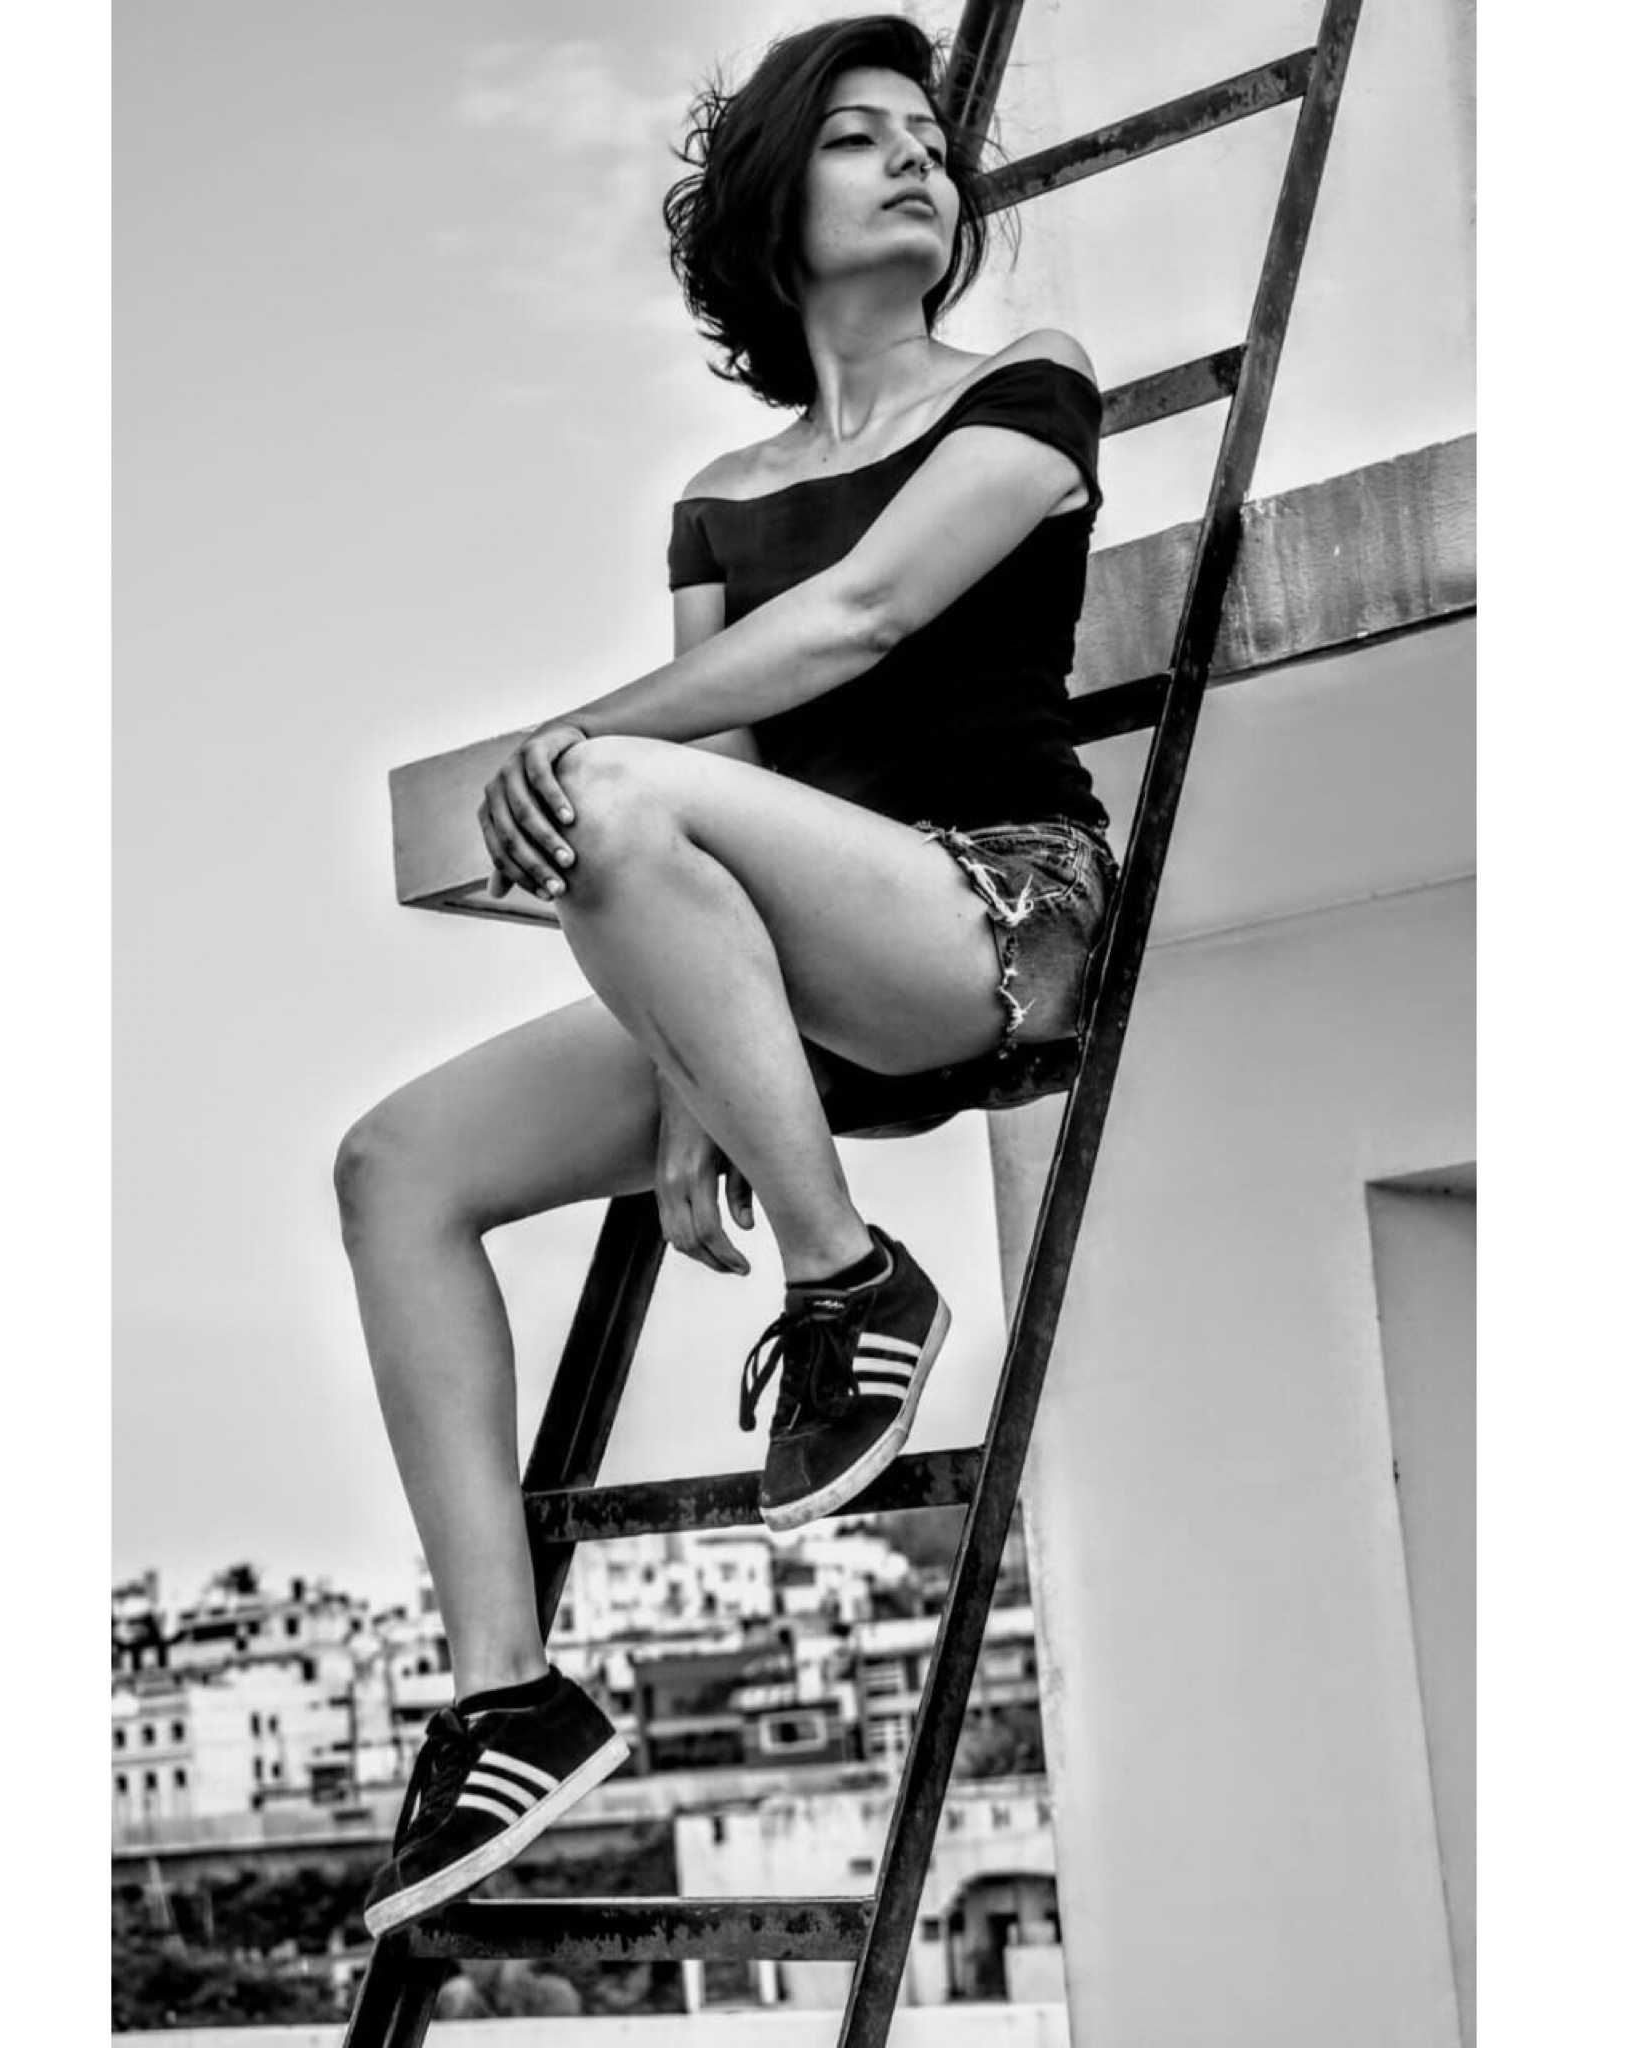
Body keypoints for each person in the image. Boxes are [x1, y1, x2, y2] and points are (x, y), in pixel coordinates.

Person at [333, 13, 1117, 1937]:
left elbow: (855, 621)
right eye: (859, 136)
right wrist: (696, 1078)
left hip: (993, 919)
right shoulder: (720, 492)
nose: (917, 157)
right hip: (801, 971)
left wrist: (570, 739)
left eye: (927, 136)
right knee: (395, 1166)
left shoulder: (1029, 385)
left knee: (602, 789)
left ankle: (847, 1282)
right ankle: (507, 1701)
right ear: (777, 205)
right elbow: (720, 807)